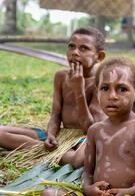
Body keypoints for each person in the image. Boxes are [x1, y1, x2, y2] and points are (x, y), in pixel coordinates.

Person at [39, 57, 135, 196]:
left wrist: (130, 191)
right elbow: (87, 171)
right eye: (104, 88)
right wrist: (89, 189)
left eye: (122, 89)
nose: (112, 96)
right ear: (97, 92)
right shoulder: (95, 130)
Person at [0, 27, 107, 167]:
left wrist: (79, 91)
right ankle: (52, 151)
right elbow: (55, 115)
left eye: (84, 48)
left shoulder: (101, 83)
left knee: (79, 161)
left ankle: (50, 152)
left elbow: (90, 128)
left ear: (99, 57)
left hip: (83, 139)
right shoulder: (61, 77)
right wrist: (51, 134)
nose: (75, 52)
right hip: (61, 134)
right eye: (71, 46)